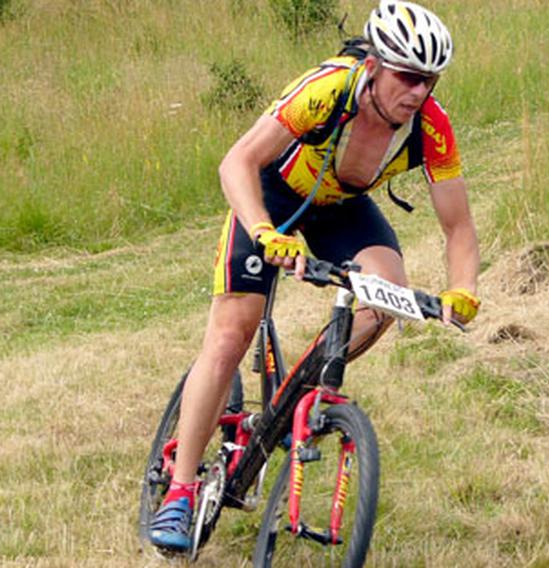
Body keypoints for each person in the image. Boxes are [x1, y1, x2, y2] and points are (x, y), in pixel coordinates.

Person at [149, 0, 480, 552]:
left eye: (429, 80)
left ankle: (299, 393)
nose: (418, 92)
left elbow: (459, 226)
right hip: (274, 195)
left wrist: (464, 288)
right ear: (373, 65)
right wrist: (262, 230)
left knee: (388, 299)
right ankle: (180, 491)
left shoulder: (431, 127)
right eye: (406, 76)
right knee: (232, 333)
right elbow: (237, 162)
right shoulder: (327, 90)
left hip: (341, 208)